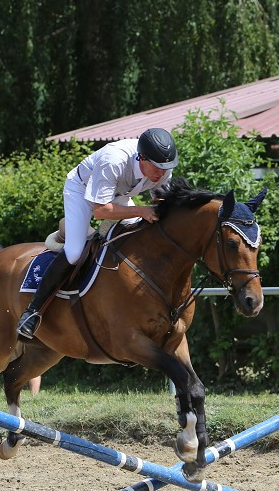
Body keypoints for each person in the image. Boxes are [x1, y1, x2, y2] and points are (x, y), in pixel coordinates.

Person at [16, 127, 179, 340]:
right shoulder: (114, 160)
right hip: (82, 191)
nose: (162, 173)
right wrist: (141, 210)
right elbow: (101, 211)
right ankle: (32, 312)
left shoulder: (163, 167)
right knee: (74, 252)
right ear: (142, 158)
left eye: (166, 168)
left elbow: (160, 204)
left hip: (119, 196)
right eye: (157, 168)